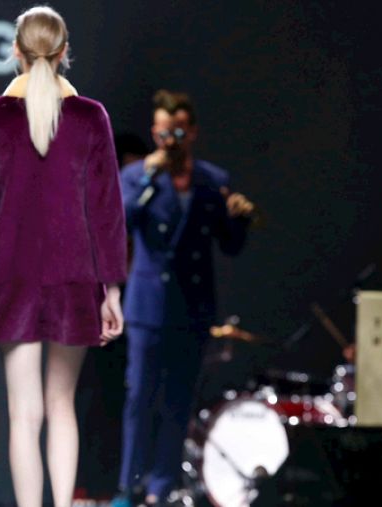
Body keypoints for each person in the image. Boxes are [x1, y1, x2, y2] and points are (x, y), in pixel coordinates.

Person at [0, 6, 127, 507]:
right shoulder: (90, 117)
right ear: (63, 51)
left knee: (24, 414)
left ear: (15, 50)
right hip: (75, 279)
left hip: (11, 280)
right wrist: (112, 289)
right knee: (62, 406)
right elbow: (106, 211)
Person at [114, 90, 254, 506]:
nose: (169, 142)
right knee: (139, 397)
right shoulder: (136, 175)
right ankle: (129, 486)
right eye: (162, 133)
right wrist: (146, 177)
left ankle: (161, 487)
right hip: (148, 305)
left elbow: (229, 244)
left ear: (191, 132)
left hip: (192, 306)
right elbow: (118, 222)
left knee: (178, 401)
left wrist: (240, 219)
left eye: (177, 133)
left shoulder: (212, 179)